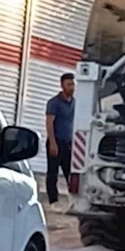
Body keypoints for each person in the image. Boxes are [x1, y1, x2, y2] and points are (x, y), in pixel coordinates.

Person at [45, 73, 75, 213]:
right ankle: (53, 201)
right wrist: (52, 143)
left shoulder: (75, 103)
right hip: (56, 141)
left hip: (69, 143)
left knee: (70, 173)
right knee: (53, 173)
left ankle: (73, 201)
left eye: (73, 84)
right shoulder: (54, 103)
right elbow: (49, 123)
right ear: (62, 85)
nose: (72, 87)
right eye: (69, 84)